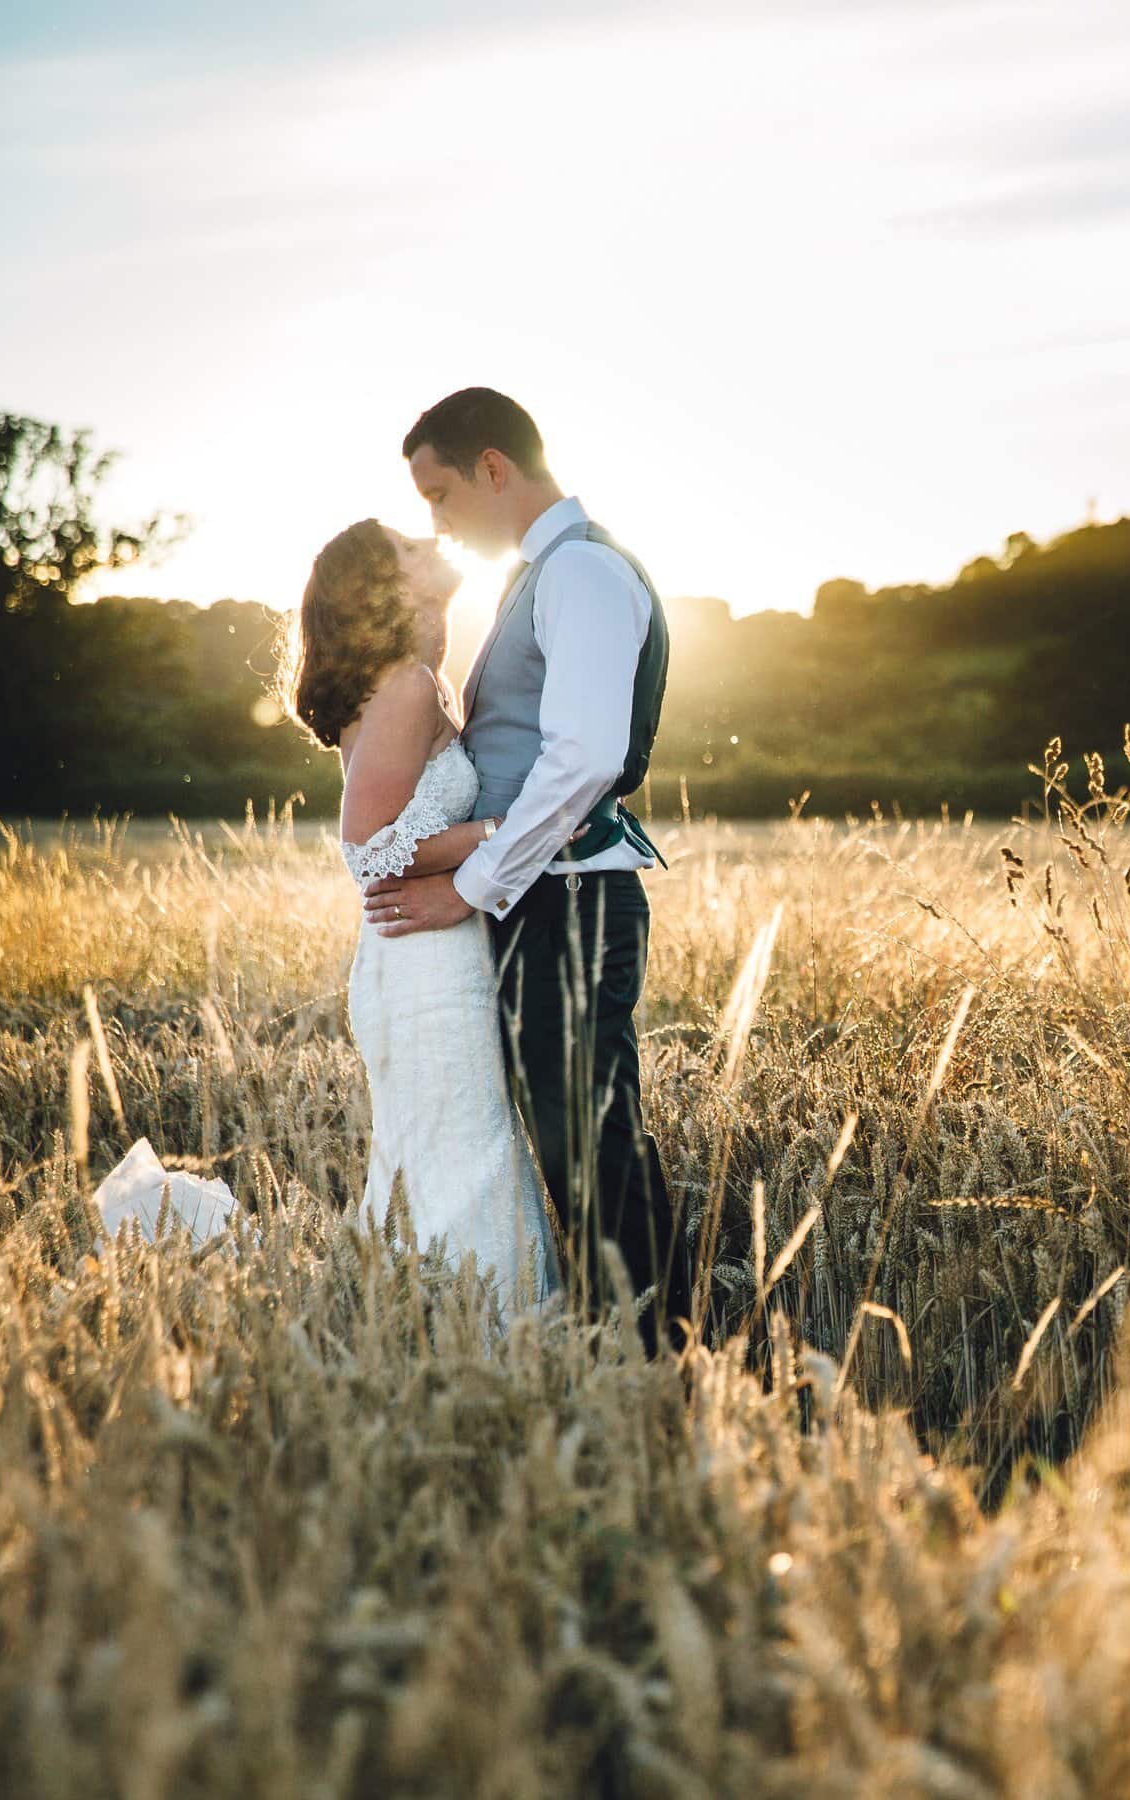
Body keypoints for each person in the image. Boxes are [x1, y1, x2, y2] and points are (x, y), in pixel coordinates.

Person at [361, 387, 678, 1350]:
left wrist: (468, 882)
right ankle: (623, 1349)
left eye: (441, 494)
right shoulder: (543, 574)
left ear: (494, 466)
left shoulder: (579, 573)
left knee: (590, 1146)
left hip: (571, 903)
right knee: (573, 1140)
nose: (437, 522)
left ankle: (649, 1357)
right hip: (546, 899)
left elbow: (584, 759)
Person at [287, 518, 557, 1316]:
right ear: (388, 586)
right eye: (410, 544)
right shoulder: (404, 685)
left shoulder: (416, 678)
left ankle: (427, 1322)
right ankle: (481, 1331)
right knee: (464, 1152)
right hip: (424, 956)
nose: (432, 542)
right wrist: (505, 834)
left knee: (453, 1150)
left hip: (431, 943)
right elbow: (368, 851)